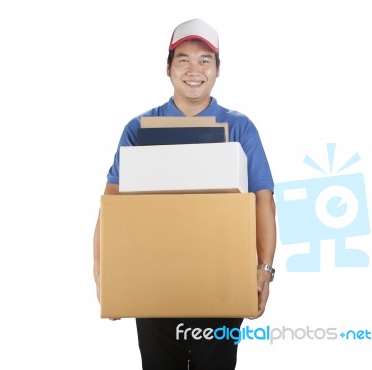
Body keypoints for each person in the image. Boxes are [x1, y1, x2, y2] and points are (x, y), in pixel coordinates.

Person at [93, 18, 276, 370]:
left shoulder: (239, 127)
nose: (195, 70)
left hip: (223, 277)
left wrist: (264, 269)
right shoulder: (139, 129)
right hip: (154, 280)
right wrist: (105, 275)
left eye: (205, 60)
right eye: (184, 59)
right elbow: (111, 205)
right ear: (168, 68)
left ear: (218, 70)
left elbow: (263, 200)